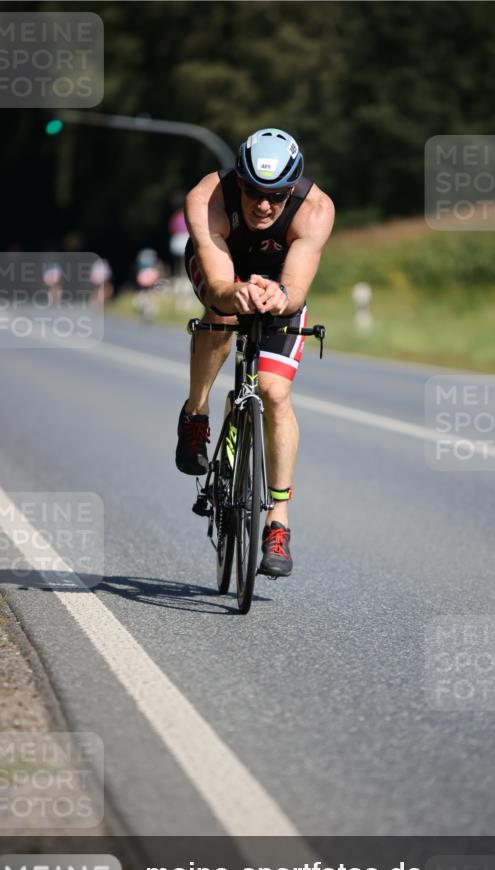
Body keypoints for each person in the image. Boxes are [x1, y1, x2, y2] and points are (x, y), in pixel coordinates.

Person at [176, 128, 335, 578]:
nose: (264, 205)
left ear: (293, 189)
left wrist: (278, 296)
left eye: (277, 196)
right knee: (223, 315)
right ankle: (196, 412)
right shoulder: (207, 199)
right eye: (253, 192)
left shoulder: (316, 210)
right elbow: (218, 283)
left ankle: (278, 523)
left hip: (280, 282)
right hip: (221, 268)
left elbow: (296, 289)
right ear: (239, 181)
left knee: (274, 391)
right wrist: (237, 292)